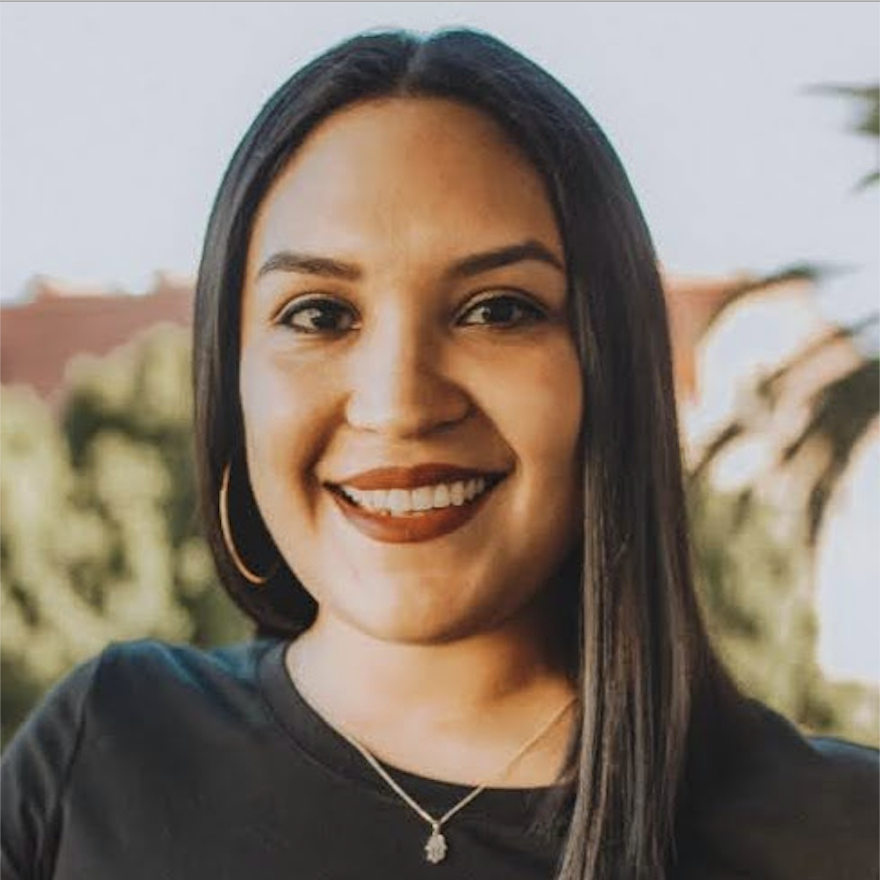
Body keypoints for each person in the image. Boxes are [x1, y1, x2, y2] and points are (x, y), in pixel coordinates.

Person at [2, 28, 876, 880]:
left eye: (497, 309)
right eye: (318, 314)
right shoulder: (103, 750)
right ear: (230, 381)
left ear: (611, 367)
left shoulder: (842, 836)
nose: (399, 403)